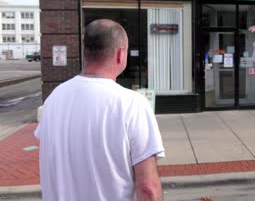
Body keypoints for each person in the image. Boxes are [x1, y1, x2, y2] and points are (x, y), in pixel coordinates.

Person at [35, 19, 165, 201]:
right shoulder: (131, 104)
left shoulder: (53, 99)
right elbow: (148, 189)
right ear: (120, 54)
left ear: (85, 53)